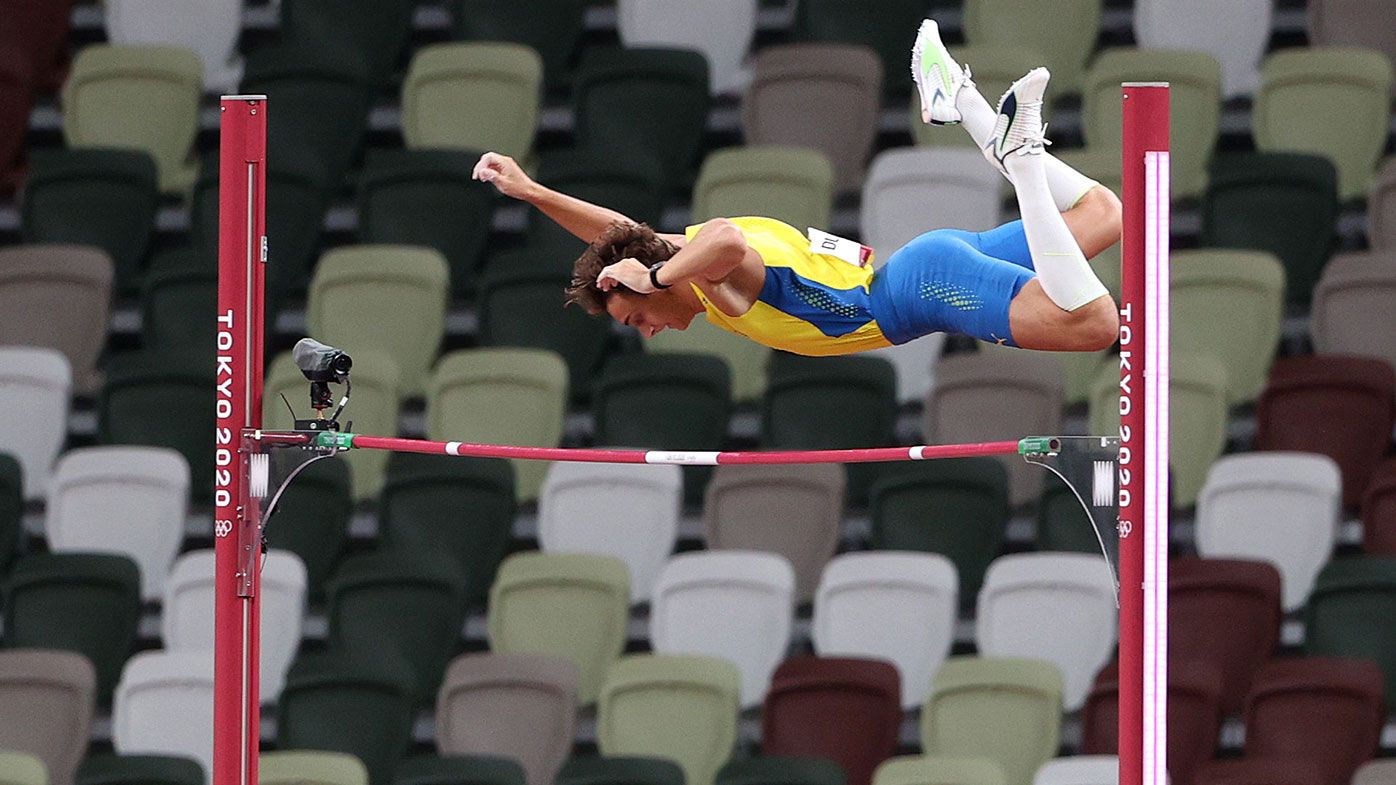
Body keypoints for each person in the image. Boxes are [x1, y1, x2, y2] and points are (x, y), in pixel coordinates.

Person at [471, 20, 1121, 355]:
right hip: (920, 264)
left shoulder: (715, 280)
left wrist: (655, 283)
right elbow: (620, 233)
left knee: (1093, 324)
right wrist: (533, 192)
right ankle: (964, 106)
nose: (648, 329)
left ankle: (1022, 159)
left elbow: (722, 243)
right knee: (1104, 212)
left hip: (924, 289)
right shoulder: (684, 253)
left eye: (637, 319)